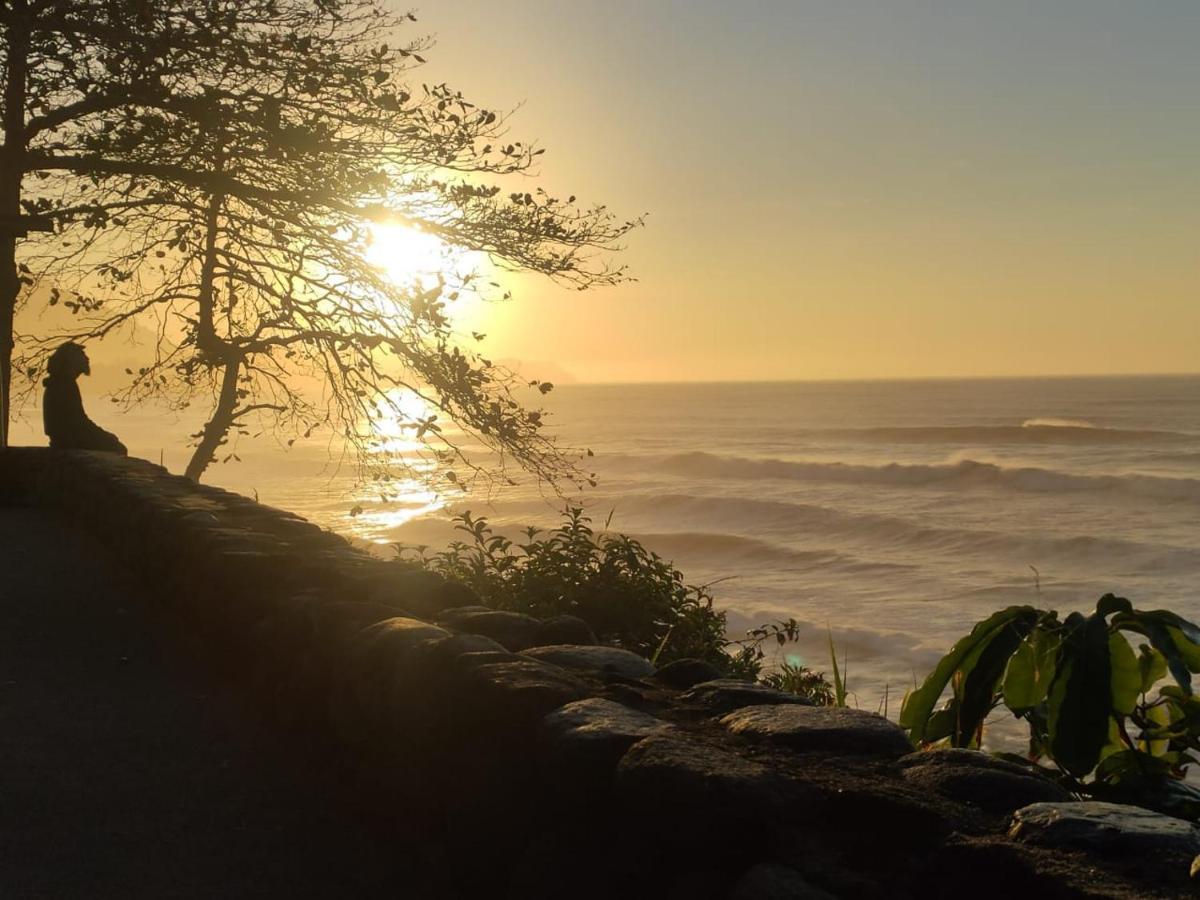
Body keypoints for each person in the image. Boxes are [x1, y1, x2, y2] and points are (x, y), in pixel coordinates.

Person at [42, 342, 127, 454]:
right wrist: (106, 437)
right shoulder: (64, 385)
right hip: (69, 442)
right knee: (118, 448)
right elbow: (78, 424)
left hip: (66, 441)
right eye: (81, 354)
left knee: (114, 444)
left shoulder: (60, 383)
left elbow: (78, 421)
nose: (87, 358)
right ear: (71, 360)